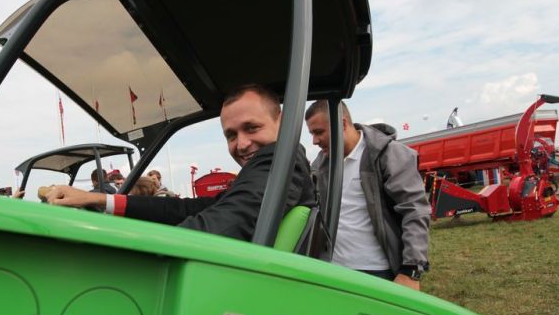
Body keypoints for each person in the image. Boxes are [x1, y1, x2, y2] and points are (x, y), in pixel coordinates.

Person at [43, 84, 315, 241]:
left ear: (283, 123)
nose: (241, 144)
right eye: (231, 135)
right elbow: (189, 208)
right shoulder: (270, 168)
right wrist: (101, 200)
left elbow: (227, 223)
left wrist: (123, 244)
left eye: (252, 128)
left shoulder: (280, 159)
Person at [305, 99, 430, 290]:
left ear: (343, 124)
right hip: (334, 271)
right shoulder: (321, 165)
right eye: (312, 134)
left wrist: (411, 270)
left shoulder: (386, 155)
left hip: (378, 272)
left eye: (319, 132)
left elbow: (414, 211)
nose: (314, 141)